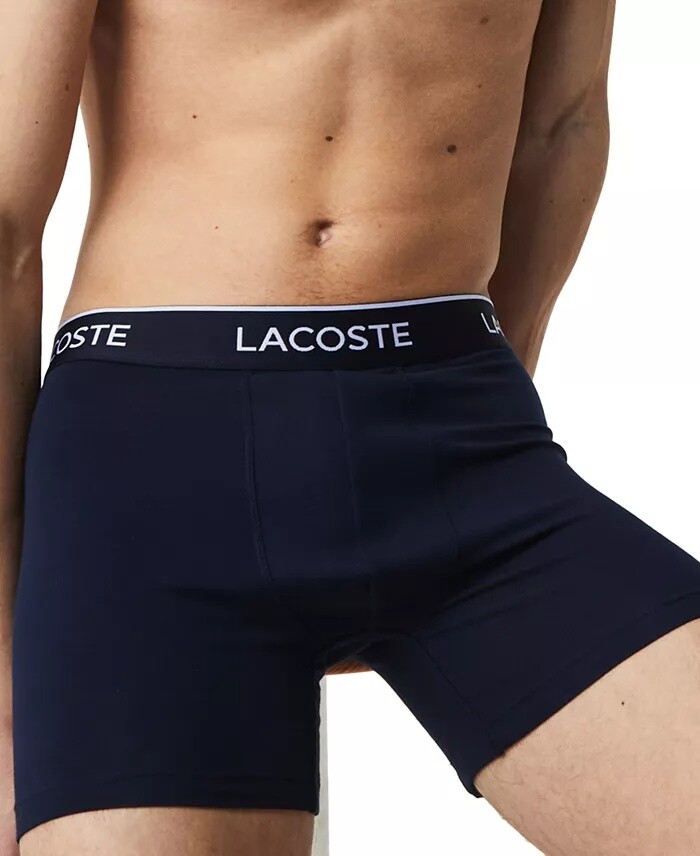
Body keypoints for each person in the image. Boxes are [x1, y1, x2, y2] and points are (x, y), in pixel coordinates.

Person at [2, 0, 700, 853]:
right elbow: (5, 224)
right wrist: (6, 667)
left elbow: (562, 122)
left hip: (460, 439)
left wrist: (502, 399)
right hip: (156, 475)